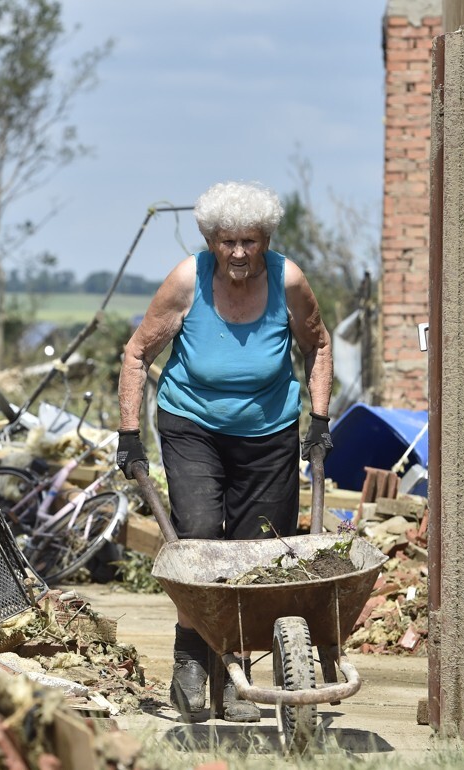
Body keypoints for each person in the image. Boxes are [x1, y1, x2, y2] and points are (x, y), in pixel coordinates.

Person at [115, 181, 333, 723]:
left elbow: (318, 344)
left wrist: (321, 420)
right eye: (228, 241)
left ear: (265, 241)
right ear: (211, 240)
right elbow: (138, 352)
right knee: (200, 533)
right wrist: (127, 434)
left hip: (270, 430)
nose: (239, 253)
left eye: (250, 241)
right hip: (194, 427)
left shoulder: (290, 281)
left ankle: (236, 670)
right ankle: (192, 657)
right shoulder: (188, 280)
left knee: (256, 552)